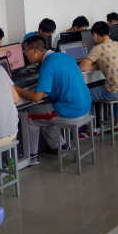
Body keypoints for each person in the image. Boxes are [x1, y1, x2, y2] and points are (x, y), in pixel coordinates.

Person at [14, 36, 91, 165]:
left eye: (25, 51)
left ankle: (32, 157)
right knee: (44, 111)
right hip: (85, 106)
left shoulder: (48, 65)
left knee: (28, 115)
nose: (25, 55)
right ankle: (60, 145)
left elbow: (36, 97)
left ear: (35, 51)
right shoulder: (64, 56)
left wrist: (16, 89)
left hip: (71, 111)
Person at [79, 22, 118, 130]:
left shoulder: (98, 48)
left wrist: (97, 66)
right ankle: (117, 122)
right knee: (116, 85)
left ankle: (88, 127)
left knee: (84, 94)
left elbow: (82, 67)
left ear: (95, 35)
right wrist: (100, 64)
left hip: (114, 93)